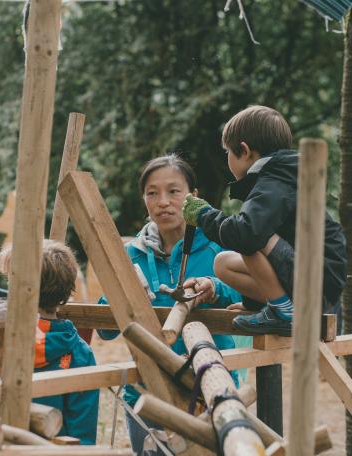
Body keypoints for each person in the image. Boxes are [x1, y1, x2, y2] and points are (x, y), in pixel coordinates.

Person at [98, 154, 242, 455]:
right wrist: (121, 292)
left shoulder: (219, 245)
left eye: (174, 191)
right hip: (147, 390)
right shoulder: (129, 254)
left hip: (211, 385)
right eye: (152, 193)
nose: (162, 201)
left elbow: (249, 297)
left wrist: (215, 288)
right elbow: (105, 330)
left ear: (193, 196)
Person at [182, 105, 347, 336]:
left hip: (316, 281)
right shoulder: (280, 176)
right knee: (223, 263)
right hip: (310, 276)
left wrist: (204, 214)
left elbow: (248, 235)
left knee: (249, 237)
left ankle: (285, 312)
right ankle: (274, 304)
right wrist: (252, 306)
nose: (227, 159)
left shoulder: (275, 181)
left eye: (227, 152)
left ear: (244, 150)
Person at [0, 240, 99, 445]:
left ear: (20, 289)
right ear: (66, 290)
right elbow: (83, 436)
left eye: (11, 280)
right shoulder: (82, 354)